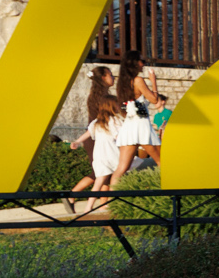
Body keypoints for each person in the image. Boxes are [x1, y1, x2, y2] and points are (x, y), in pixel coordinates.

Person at [67, 66, 125, 212]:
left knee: (105, 174)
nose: (113, 77)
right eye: (110, 75)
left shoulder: (99, 95)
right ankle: (72, 195)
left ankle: (103, 204)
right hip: (98, 138)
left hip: (98, 136)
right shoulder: (102, 99)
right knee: (100, 174)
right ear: (103, 77)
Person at [114, 55, 158, 173]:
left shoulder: (122, 83)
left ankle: (112, 186)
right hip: (141, 126)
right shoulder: (138, 80)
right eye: (142, 61)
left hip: (129, 126)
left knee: (122, 168)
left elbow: (124, 106)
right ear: (135, 63)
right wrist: (153, 82)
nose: (143, 64)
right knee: (161, 161)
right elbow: (154, 100)